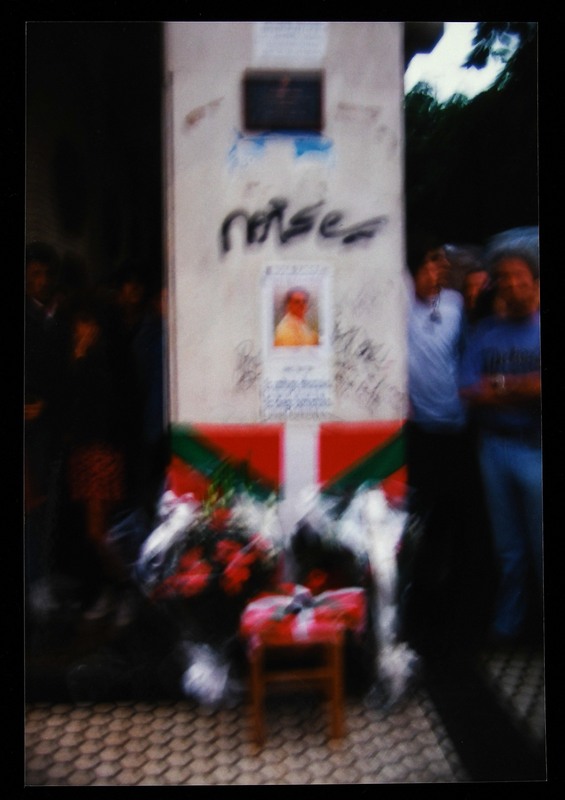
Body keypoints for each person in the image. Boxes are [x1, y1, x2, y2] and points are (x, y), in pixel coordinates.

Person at [459, 239, 542, 645]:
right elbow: (468, 390)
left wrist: (500, 385)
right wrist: (524, 388)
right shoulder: (486, 332)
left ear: (536, 283)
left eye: (518, 277)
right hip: (493, 447)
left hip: (535, 446)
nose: (510, 284)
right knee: (508, 548)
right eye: (503, 278)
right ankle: (508, 627)